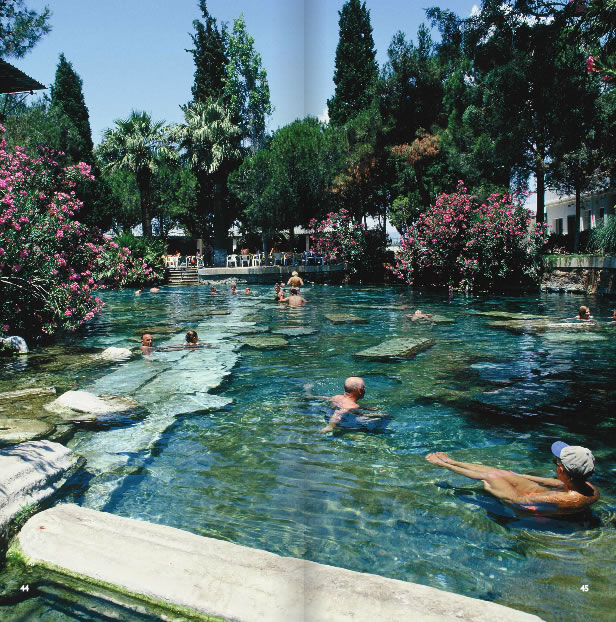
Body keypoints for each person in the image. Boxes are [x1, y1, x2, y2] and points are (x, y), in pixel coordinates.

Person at [425, 441, 599, 517]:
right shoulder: (589, 487)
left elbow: (516, 500)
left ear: (561, 469)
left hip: (524, 506)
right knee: (503, 473)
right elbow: (555, 483)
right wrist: (520, 476)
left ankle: (444, 465)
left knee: (491, 477)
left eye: (556, 462)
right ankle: (452, 461)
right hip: (541, 496)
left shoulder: (565, 499)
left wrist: (495, 490)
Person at [319, 377, 390, 433]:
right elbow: (338, 413)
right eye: (364, 388)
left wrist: (367, 408)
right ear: (359, 391)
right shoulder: (353, 406)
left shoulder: (336, 397)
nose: (364, 390)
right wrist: (330, 427)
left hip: (329, 414)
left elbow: (324, 398)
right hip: (344, 424)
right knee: (386, 418)